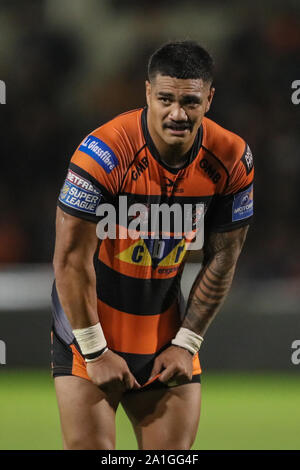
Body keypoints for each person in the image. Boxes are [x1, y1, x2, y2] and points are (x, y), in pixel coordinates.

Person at [52, 40, 254, 450]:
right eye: (165, 99)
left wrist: (186, 343)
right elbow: (71, 262)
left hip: (165, 335)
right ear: (147, 93)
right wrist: (94, 352)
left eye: (190, 102)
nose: (177, 114)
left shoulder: (231, 158)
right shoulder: (104, 153)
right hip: (90, 329)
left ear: (209, 99)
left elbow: (224, 258)